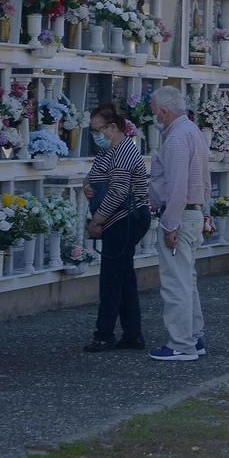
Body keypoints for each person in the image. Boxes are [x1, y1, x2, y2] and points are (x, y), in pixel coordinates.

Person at [82, 102, 152, 353]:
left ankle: (104, 334)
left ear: (112, 127)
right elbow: (93, 176)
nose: (95, 135)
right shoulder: (108, 151)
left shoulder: (123, 152)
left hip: (124, 218)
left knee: (111, 279)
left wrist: (97, 220)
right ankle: (132, 334)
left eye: (98, 129)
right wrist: (86, 187)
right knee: (123, 276)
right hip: (119, 218)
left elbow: (119, 192)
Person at [146, 86, 210, 361]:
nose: (152, 116)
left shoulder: (176, 139)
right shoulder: (193, 132)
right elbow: (204, 181)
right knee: (188, 280)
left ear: (164, 111)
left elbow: (177, 187)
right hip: (194, 213)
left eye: (153, 110)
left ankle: (180, 345)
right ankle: (194, 338)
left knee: (176, 283)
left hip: (180, 216)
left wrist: (170, 225)